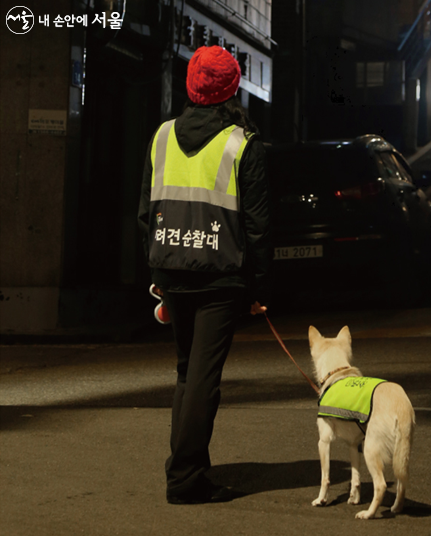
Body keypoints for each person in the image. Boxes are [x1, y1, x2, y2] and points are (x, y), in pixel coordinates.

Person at [137, 46, 271, 504]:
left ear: (192, 85)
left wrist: (157, 268)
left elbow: (145, 212)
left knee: (185, 371)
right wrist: (256, 287)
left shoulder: (161, 136)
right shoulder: (243, 144)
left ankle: (182, 468)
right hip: (219, 277)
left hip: (172, 271)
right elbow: (256, 228)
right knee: (202, 378)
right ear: (232, 88)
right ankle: (186, 478)